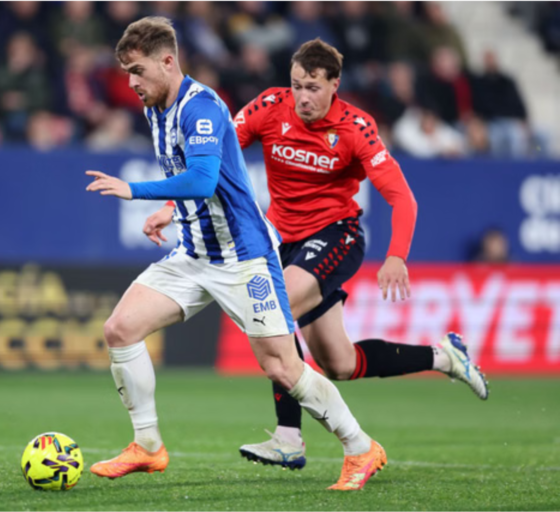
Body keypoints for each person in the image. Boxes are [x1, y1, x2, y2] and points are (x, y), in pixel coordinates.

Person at [85, 17, 386, 491]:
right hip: (194, 252)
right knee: (120, 329)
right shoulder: (154, 106)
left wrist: (135, 190)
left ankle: (360, 447)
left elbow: (204, 180)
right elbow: (198, 185)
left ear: (168, 61)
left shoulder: (201, 109)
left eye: (138, 71)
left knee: (282, 367)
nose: (132, 83)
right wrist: (170, 209)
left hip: (244, 257)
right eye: (127, 73)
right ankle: (147, 445)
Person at [186, 38, 486, 469]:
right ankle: (444, 357)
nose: (302, 97)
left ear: (334, 85)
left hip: (336, 235)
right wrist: (171, 202)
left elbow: (403, 198)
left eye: (312, 87)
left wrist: (396, 255)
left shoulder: (355, 127)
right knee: (340, 363)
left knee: (273, 306)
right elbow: (215, 153)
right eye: (296, 86)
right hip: (282, 240)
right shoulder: (270, 106)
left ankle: (289, 437)